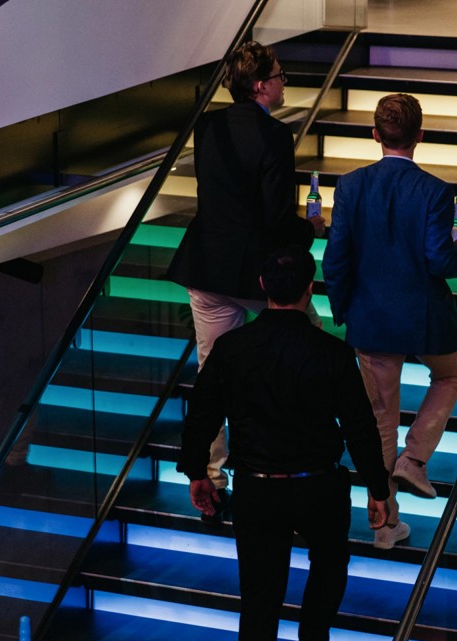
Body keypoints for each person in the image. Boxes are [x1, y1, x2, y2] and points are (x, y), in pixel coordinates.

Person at [177, 246, 389, 641]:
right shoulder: (332, 352)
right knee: (330, 564)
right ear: (310, 289)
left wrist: (198, 474)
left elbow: (201, 414)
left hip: (256, 487)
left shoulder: (232, 349)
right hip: (319, 484)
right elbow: (360, 427)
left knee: (259, 602)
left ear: (262, 286)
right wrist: (378, 488)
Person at [167, 41, 325, 514]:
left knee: (211, 372)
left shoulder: (207, 124)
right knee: (309, 343)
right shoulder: (275, 137)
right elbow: (277, 220)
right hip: (256, 273)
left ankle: (209, 476)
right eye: (279, 76)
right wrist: (310, 230)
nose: (283, 83)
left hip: (206, 265)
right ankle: (292, 456)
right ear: (260, 85)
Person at [322, 93, 457, 550]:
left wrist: (343, 311)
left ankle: (383, 525)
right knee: (451, 374)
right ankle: (416, 458)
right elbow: (439, 260)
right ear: (420, 136)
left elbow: (336, 259)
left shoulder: (349, 186)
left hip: (370, 316)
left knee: (379, 418)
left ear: (374, 134)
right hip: (425, 317)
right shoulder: (435, 191)